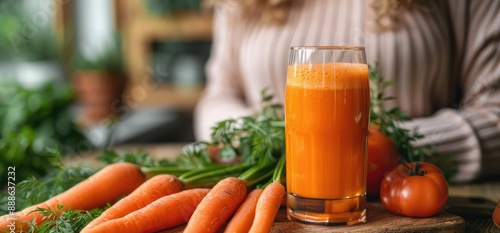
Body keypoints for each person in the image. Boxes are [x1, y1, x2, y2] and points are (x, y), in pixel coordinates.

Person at [194, 0, 500, 183]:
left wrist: (383, 152)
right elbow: (219, 96)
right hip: (276, 194)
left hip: (407, 199)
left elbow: (494, 111)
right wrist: (262, 143)